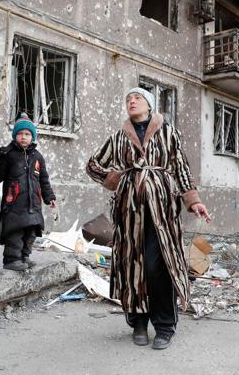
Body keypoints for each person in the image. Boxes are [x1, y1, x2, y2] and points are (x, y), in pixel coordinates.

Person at [86, 87, 211, 350]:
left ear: (150, 105)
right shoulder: (119, 137)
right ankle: (139, 323)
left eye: (137, 98)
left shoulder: (168, 132)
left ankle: (165, 325)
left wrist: (194, 201)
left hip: (163, 212)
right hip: (129, 214)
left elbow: (181, 168)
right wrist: (117, 179)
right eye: (128, 99)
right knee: (133, 267)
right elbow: (93, 165)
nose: (131, 101)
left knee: (159, 267)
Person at [0, 114, 56, 271]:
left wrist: (49, 197)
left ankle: (24, 257)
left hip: (33, 204)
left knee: (31, 232)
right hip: (14, 203)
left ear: (32, 137)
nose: (23, 137)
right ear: (15, 136)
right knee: (15, 231)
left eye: (27, 134)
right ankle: (11, 260)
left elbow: (44, 180)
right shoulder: (8, 154)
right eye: (20, 134)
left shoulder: (38, 157)